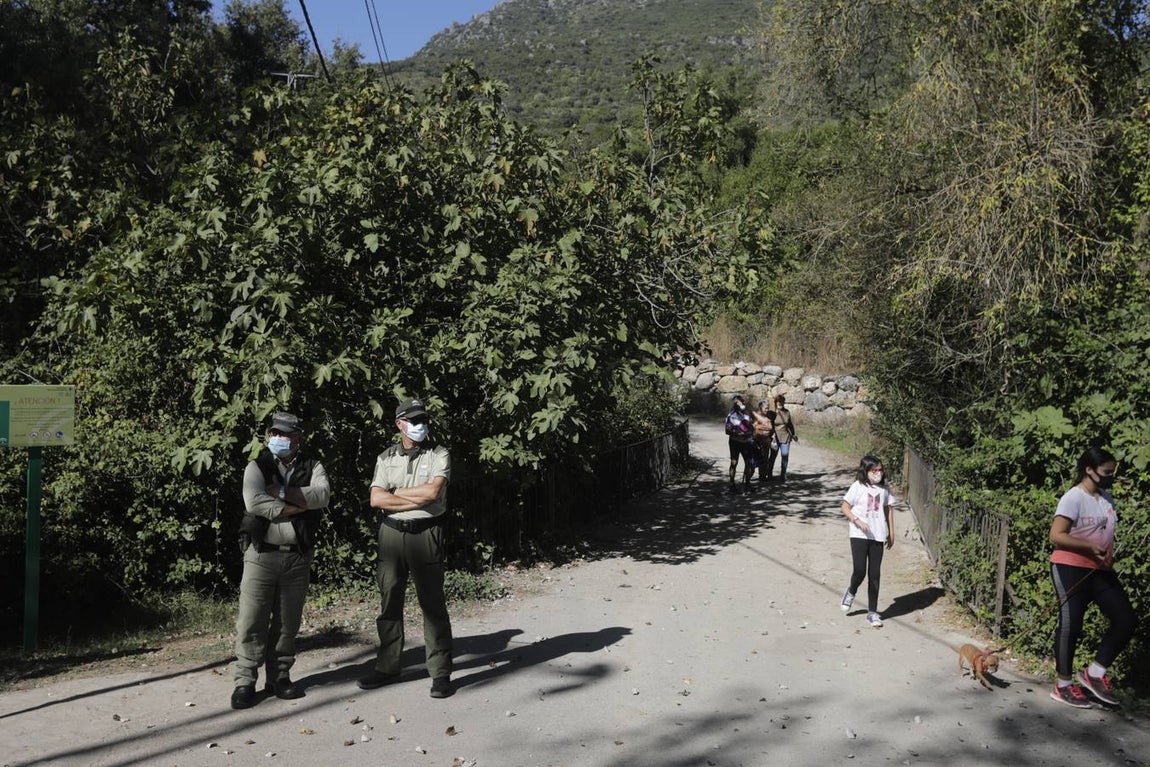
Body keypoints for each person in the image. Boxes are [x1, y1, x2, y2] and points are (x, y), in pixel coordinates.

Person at [231, 412, 331, 710]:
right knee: (251, 620)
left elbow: (323, 495)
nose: (278, 439)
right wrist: (296, 506)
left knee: (288, 623)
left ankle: (279, 678)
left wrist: (284, 493)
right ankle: (244, 681)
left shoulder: (314, 466)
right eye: (274, 433)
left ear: (297, 438)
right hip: (261, 555)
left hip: (297, 557)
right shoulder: (256, 466)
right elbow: (254, 501)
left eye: (284, 434)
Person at [358, 397, 455, 699]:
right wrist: (417, 497)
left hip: (426, 534)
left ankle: (440, 673)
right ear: (399, 424)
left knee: (433, 604)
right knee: (389, 601)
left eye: (424, 420)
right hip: (391, 535)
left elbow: (434, 492)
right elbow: (376, 499)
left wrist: (396, 493)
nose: (421, 425)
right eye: (414, 421)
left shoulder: (439, 454)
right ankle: (388, 666)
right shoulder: (386, 457)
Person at [1048, 447, 1135, 709]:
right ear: (1089, 470)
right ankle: (1063, 685)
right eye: (1107, 472)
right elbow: (1056, 535)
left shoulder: (1106, 498)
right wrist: (1087, 548)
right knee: (1071, 624)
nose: (1112, 477)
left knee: (1126, 620)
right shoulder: (1073, 498)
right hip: (1069, 567)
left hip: (1100, 571)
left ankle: (1094, 674)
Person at [838, 455, 894, 628]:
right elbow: (844, 507)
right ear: (866, 471)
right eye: (874, 470)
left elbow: (889, 510)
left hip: (877, 535)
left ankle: (872, 612)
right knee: (860, 570)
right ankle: (851, 590)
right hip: (859, 534)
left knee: (875, 574)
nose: (878, 473)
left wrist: (891, 532)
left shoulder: (885, 489)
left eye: (880, 470)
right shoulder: (858, 487)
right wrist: (857, 521)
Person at [724, 394, 756, 493]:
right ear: (735, 404)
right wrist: (737, 433)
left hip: (747, 442)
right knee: (734, 462)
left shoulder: (747, 415)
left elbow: (752, 427)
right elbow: (727, 431)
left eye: (742, 401)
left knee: (749, 463)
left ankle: (747, 484)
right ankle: (732, 485)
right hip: (735, 442)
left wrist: (751, 433)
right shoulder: (731, 416)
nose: (742, 403)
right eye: (739, 402)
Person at [767, 394, 797, 481]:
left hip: (785, 437)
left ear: (784, 402)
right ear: (775, 403)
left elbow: (790, 424)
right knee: (772, 457)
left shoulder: (787, 412)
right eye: (778, 402)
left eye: (781, 401)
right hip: (775, 438)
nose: (780, 403)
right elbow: (768, 424)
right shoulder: (771, 413)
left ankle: (783, 475)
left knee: (785, 456)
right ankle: (769, 474)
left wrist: (793, 434)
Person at [751, 399, 776, 483]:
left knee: (765, 459)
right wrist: (765, 428)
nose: (767, 410)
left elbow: (771, 428)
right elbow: (754, 427)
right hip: (758, 441)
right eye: (765, 408)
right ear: (761, 408)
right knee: (755, 459)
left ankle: (762, 476)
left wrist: (770, 432)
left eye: (768, 408)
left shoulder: (769, 416)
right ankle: (750, 474)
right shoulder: (756, 416)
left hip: (767, 441)